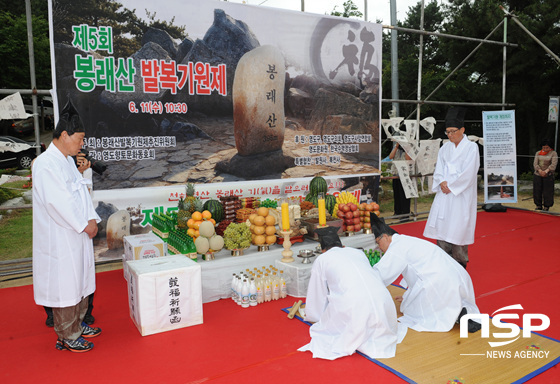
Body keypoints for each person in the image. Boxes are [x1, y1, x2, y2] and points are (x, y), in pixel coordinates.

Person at [32, 100, 102, 353]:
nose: (82, 144)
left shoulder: (67, 160)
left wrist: (90, 220)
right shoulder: (46, 164)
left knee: (81, 281)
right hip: (62, 237)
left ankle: (79, 325)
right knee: (66, 285)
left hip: (78, 233)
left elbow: (81, 194)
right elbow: (57, 203)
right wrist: (84, 224)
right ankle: (67, 334)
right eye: (80, 139)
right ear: (64, 135)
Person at [371, 213, 481, 336]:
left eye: (378, 242)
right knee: (411, 301)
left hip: (439, 281)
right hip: (457, 276)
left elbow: (380, 275)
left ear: (386, 237)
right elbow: (416, 271)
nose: (379, 248)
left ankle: (454, 314)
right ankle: (458, 309)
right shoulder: (407, 240)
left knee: (411, 311)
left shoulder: (396, 247)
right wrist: (409, 296)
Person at [298, 226, 399, 360]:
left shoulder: (322, 259)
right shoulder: (357, 252)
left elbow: (318, 293)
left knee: (336, 318)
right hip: (384, 303)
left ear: (322, 250)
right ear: (342, 245)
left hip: (354, 306)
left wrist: (314, 315)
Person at [44, 151, 96, 328]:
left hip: (81, 230)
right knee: (62, 277)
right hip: (61, 231)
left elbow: (86, 197)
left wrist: (83, 173)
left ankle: (83, 316)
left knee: (84, 273)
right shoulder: (49, 164)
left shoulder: (81, 170)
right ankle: (57, 318)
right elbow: (59, 202)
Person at [423, 107, 480, 268]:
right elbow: (439, 168)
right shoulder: (445, 148)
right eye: (447, 132)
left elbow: (469, 172)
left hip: (460, 195)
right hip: (444, 194)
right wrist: (441, 182)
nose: (450, 135)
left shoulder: (471, 148)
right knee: (442, 225)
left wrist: (453, 186)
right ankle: (442, 261)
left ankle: (460, 262)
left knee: (458, 227)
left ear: (462, 129)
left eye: (453, 131)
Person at [389, 142, 412, 220]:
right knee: (397, 194)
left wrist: (406, 147)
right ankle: (397, 212)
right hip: (396, 174)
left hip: (405, 175)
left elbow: (408, 159)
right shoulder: (396, 148)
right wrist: (396, 147)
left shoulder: (408, 148)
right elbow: (390, 156)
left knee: (404, 195)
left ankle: (405, 214)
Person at [533, 138, 557, 211]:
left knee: (548, 191)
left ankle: (547, 206)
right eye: (543, 147)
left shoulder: (553, 153)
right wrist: (540, 171)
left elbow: (553, 164)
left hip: (548, 174)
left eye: (547, 147)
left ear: (550, 147)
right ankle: (538, 205)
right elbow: (535, 163)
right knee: (537, 190)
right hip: (538, 174)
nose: (545, 149)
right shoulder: (538, 153)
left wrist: (546, 171)